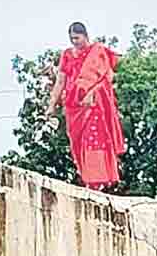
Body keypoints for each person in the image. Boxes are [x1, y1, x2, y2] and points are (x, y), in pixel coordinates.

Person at [47, 21, 127, 190]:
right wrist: (52, 104)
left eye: (77, 38)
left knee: (92, 140)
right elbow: (60, 81)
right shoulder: (67, 55)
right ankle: (87, 179)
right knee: (77, 143)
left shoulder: (97, 52)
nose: (74, 41)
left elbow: (107, 78)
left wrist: (92, 92)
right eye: (71, 38)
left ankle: (96, 181)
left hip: (93, 104)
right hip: (73, 106)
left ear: (85, 35)